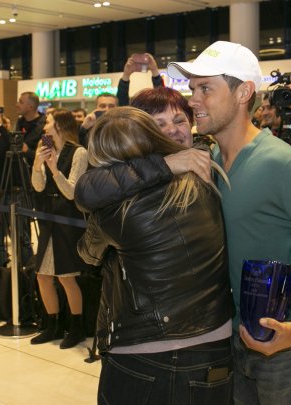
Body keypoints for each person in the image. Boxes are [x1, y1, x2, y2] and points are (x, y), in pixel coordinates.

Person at [76, 40, 291, 405]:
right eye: (193, 89)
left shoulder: (282, 164)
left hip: (284, 347)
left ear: (244, 93)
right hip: (230, 340)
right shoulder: (203, 162)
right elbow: (90, 188)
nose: (194, 100)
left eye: (206, 89)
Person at [75, 107, 234, 404]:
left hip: (145, 347)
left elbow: (88, 254)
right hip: (216, 342)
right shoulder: (203, 178)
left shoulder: (115, 209)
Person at [30, 110, 92, 349]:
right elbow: (37, 187)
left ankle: (76, 329)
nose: (44, 126)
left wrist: (55, 169)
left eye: (48, 122)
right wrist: (38, 165)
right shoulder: (44, 148)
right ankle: (52, 325)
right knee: (43, 276)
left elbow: (72, 192)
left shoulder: (79, 152)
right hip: (48, 218)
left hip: (68, 220)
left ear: (59, 125)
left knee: (67, 277)